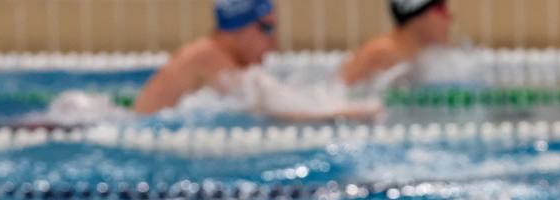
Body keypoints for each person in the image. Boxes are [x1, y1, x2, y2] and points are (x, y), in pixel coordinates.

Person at [133, 0, 380, 120]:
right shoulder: (208, 57)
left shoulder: (216, 56)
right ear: (239, 28)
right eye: (268, 29)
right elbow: (272, 107)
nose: (274, 42)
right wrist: (341, 114)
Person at [340, 0, 453, 87]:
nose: (450, 17)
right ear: (418, 15)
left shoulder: (414, 57)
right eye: (441, 9)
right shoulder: (383, 52)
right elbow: (340, 99)